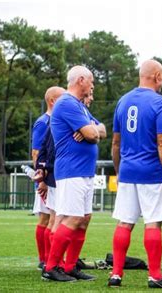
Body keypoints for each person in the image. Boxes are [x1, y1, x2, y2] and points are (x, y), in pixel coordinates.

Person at [108, 60, 162, 289]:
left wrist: (119, 171)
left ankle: (116, 274)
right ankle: (155, 276)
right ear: (157, 76)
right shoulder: (161, 102)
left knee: (124, 223)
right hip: (151, 173)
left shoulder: (123, 100)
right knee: (153, 224)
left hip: (128, 172)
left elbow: (116, 143)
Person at [42, 66, 105, 282]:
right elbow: (92, 134)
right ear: (80, 80)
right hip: (71, 170)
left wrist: (91, 130)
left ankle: (70, 267)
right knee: (72, 217)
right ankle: (51, 267)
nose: (93, 85)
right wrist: (90, 131)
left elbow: (101, 129)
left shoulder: (80, 107)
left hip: (84, 171)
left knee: (84, 218)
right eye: (91, 81)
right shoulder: (67, 103)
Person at [31, 86, 64, 270]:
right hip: (46, 180)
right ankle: (44, 259)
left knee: (52, 218)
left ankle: (51, 258)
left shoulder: (56, 121)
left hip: (52, 177)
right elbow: (37, 152)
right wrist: (41, 180)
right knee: (46, 219)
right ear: (52, 101)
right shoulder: (44, 122)